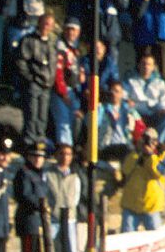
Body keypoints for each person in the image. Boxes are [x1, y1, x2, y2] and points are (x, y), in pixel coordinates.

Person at [12, 143, 51, 252]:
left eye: (40, 157)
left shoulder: (41, 174)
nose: (38, 160)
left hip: (40, 220)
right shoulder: (24, 173)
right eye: (34, 156)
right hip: (29, 219)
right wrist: (41, 205)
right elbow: (25, 195)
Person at [16, 13, 58, 147]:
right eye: (45, 23)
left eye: (50, 25)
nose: (47, 27)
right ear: (39, 23)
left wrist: (50, 80)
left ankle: (40, 141)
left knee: (42, 115)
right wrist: (30, 78)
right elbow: (21, 61)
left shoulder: (52, 43)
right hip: (33, 83)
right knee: (31, 113)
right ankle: (29, 142)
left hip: (47, 85)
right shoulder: (28, 40)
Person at [45, 144, 84, 252]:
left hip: (69, 219)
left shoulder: (75, 176)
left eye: (68, 154)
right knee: (52, 251)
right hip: (53, 218)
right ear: (56, 155)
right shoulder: (48, 174)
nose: (65, 157)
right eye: (62, 153)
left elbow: (76, 198)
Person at [51, 18, 90, 146]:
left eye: (73, 30)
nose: (71, 33)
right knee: (63, 122)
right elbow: (57, 72)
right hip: (62, 91)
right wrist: (63, 93)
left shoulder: (76, 48)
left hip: (74, 90)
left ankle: (73, 150)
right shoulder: (60, 47)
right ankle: (64, 150)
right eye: (68, 29)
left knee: (75, 120)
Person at [119, 132, 165, 232]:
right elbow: (125, 169)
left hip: (151, 207)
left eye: (151, 140)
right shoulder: (133, 154)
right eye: (145, 139)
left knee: (156, 238)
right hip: (131, 205)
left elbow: (157, 173)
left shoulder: (162, 156)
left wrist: (149, 155)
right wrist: (137, 152)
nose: (147, 143)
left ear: (157, 142)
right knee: (126, 238)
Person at [123, 54, 165, 140]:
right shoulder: (131, 81)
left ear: (153, 67)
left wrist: (163, 108)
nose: (146, 67)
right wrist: (127, 101)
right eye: (143, 64)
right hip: (136, 114)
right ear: (139, 65)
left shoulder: (159, 83)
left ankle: (157, 142)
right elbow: (123, 95)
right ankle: (133, 142)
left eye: (149, 64)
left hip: (154, 114)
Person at [97, 80, 145, 153]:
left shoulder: (129, 110)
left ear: (122, 94)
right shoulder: (102, 108)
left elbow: (140, 128)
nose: (113, 94)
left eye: (117, 91)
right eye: (112, 91)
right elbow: (95, 124)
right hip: (106, 146)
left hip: (125, 145)